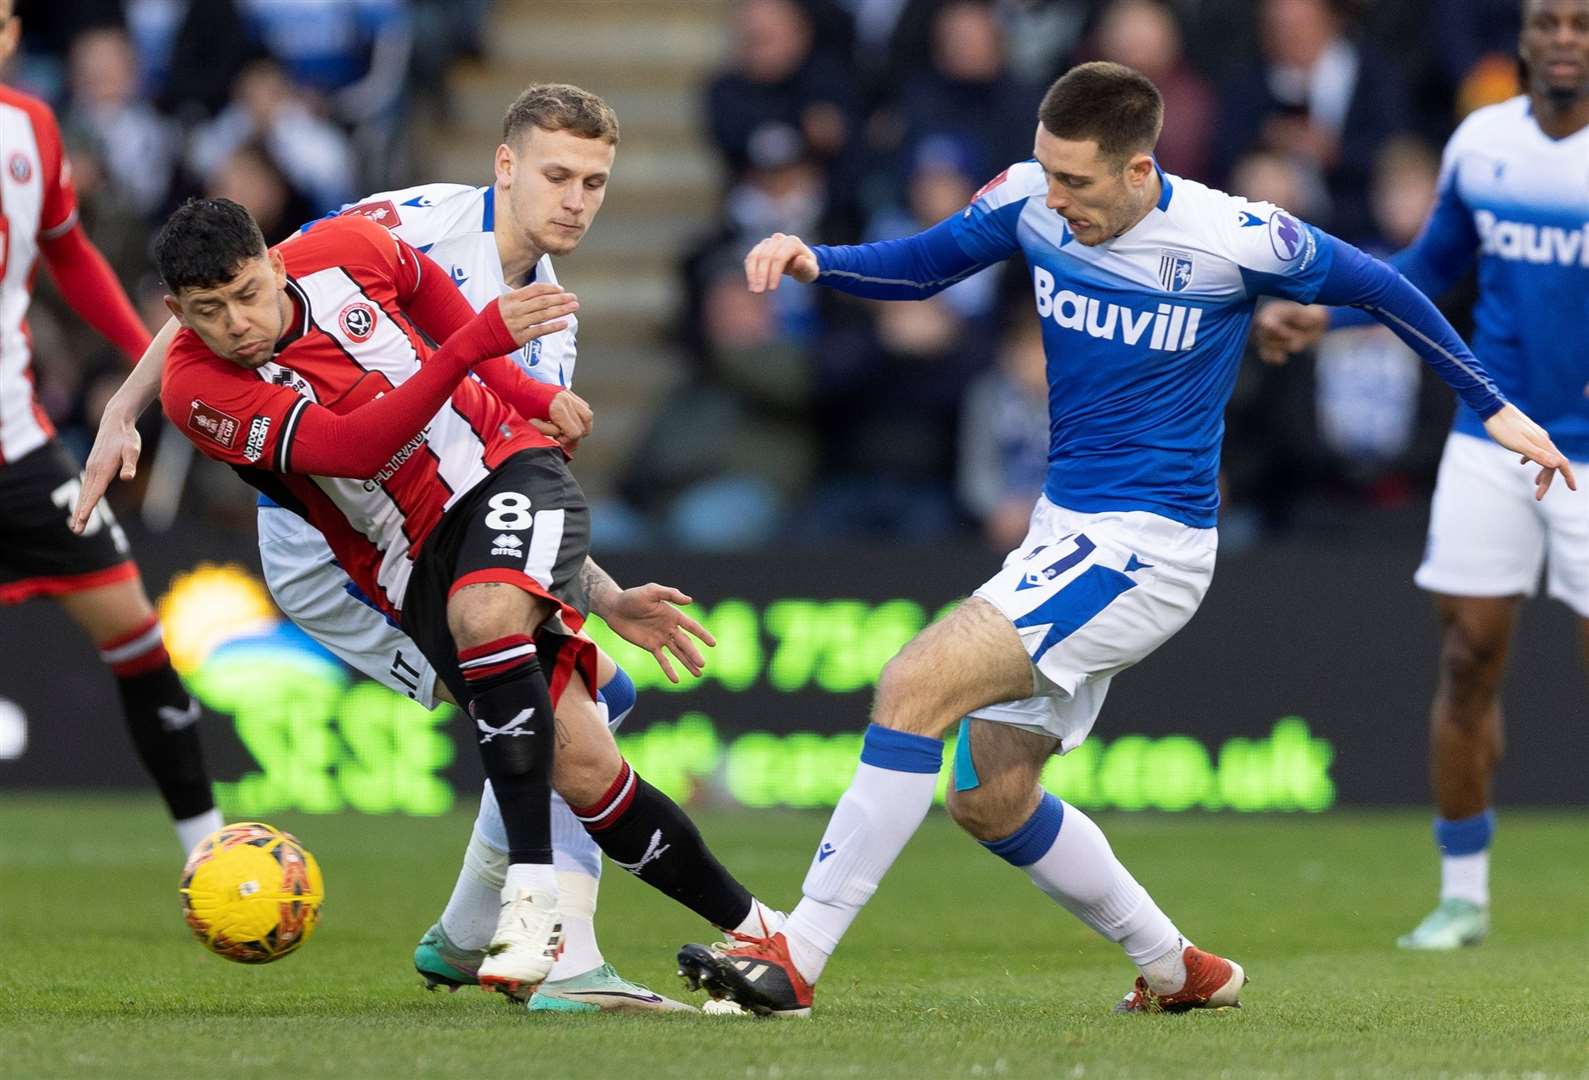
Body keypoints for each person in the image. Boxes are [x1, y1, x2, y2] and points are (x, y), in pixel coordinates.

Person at [677, 60, 1574, 1018]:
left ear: (1140, 169)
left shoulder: (1232, 234)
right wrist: (819, 259)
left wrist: (1496, 408)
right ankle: (1176, 968)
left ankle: (796, 952)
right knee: (987, 793)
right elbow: (928, 261)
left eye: (1077, 182)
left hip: (1147, 548)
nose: (1054, 200)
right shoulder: (1030, 195)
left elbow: (1385, 289)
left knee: (912, 683)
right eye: (1045, 172)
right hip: (1064, 535)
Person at [77, 85, 777, 1011]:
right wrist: (123, 407)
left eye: (594, 182)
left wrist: (599, 596)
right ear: (503, 166)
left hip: (456, 511)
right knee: (537, 695)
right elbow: (245, 278)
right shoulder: (411, 223)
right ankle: (530, 946)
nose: (574, 199)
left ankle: (509, 938)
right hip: (340, 554)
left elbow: (489, 433)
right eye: (556, 175)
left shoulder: (545, 323)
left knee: (580, 694)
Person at [1254, 0, 1589, 952]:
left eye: (1581, 22)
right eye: (1548, 22)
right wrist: (1328, 312)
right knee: (1465, 659)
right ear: (1521, 40)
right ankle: (1462, 894)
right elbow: (1429, 267)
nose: (1564, 38)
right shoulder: (1481, 143)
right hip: (1493, 437)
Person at [0, 0, 222, 857]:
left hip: (20, 450)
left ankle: (209, 854)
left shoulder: (33, 133)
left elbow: (67, 250)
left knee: (134, 631)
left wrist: (149, 357)